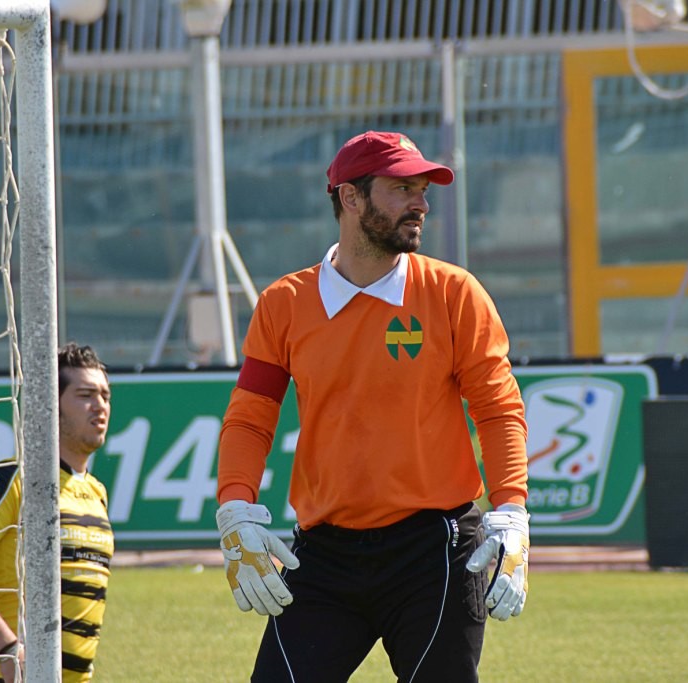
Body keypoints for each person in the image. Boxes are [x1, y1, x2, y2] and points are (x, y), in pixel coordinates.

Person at [214, 130, 531, 682]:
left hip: (435, 551)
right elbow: (250, 417)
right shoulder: (283, 303)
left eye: (423, 190)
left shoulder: (455, 293)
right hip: (323, 553)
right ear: (350, 197)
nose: (421, 203)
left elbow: (498, 409)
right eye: (402, 188)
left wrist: (512, 510)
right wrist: (235, 508)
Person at [0, 343, 114, 683]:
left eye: (105, 396)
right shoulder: (11, 480)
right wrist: (7, 647)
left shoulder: (97, 492)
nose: (100, 405)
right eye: (86, 395)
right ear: (49, 404)